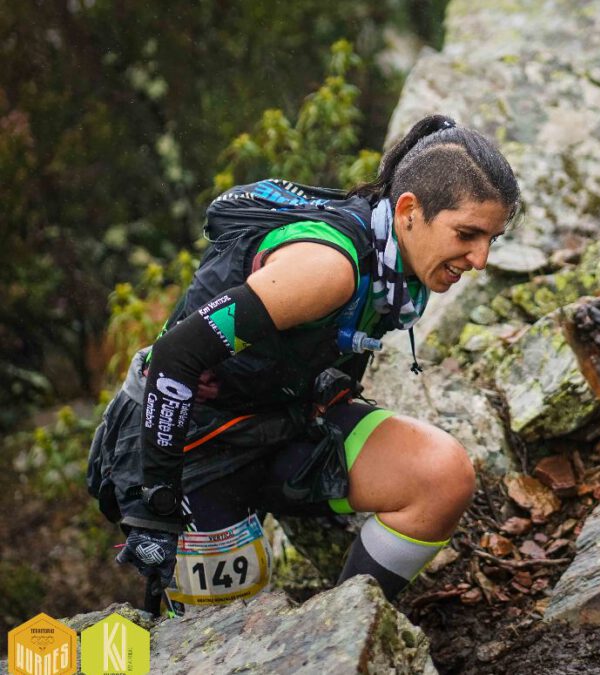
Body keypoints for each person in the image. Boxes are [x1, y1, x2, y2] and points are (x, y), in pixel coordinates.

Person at [88, 114, 520, 606]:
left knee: (442, 476)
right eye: (467, 234)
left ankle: (348, 627)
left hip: (281, 424)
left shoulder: (400, 261)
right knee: (228, 635)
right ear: (408, 211)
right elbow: (175, 357)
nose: (481, 259)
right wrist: (158, 502)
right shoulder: (327, 270)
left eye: (491, 239)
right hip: (191, 450)